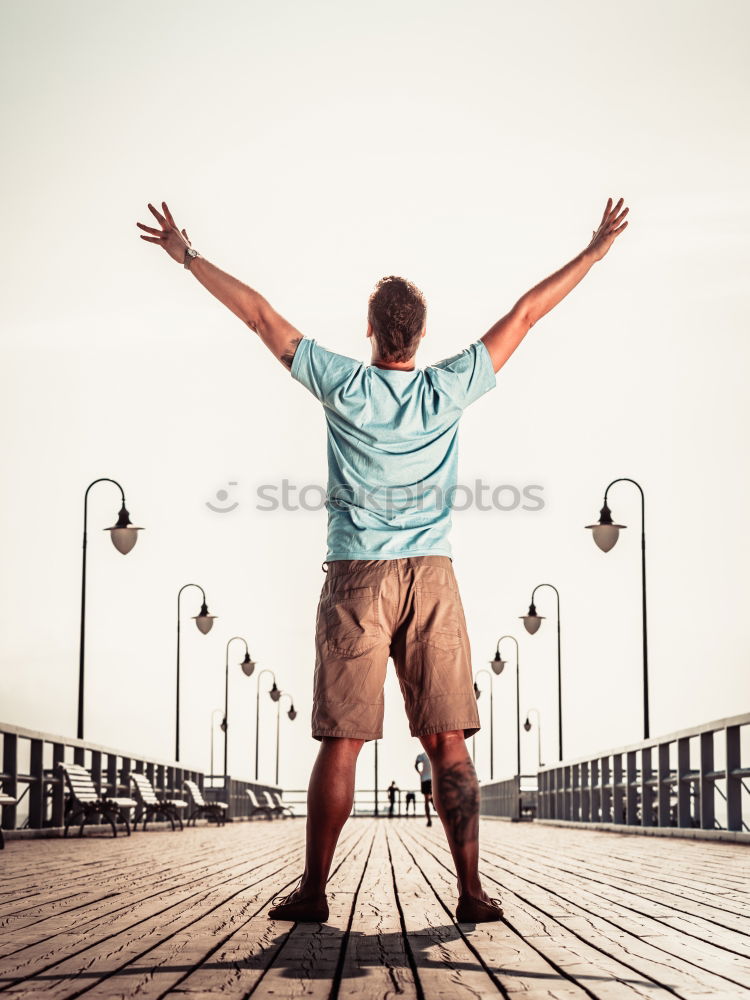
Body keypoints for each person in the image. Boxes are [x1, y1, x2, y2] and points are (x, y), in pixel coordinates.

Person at [138, 196, 629, 924]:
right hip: (432, 574)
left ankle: (312, 892)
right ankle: (471, 892)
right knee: (448, 742)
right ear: (421, 334)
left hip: (356, 577)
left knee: (343, 741)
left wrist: (188, 256)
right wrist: (591, 254)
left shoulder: (345, 383)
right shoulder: (447, 385)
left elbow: (260, 317)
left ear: (371, 331)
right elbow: (526, 314)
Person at [415, 750, 434, 826]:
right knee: (433, 795)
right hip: (433, 778)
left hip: (424, 779)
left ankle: (429, 820)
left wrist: (420, 772)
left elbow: (416, 765)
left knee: (426, 801)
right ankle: (432, 799)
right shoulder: (433, 753)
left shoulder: (422, 755)